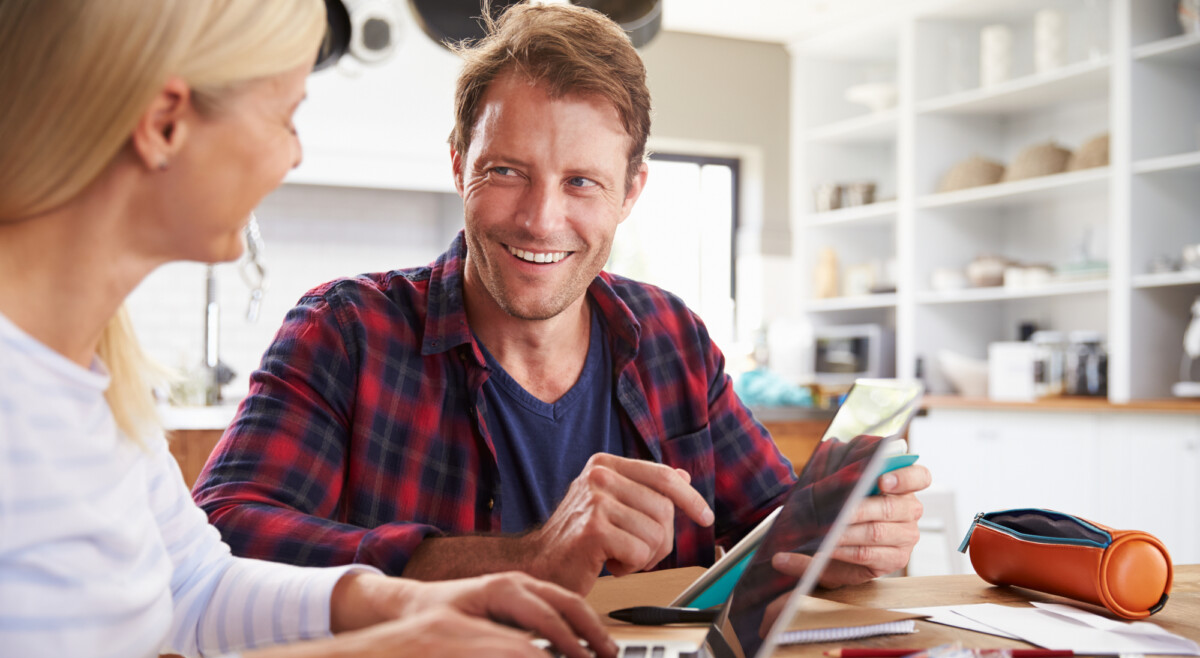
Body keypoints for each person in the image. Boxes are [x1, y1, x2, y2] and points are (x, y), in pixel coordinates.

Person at [0, 2, 618, 658]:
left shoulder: (90, 375)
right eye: (287, 115)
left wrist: (405, 605)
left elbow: (194, 582)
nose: (294, 155)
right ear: (164, 124)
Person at [194, 1, 931, 596]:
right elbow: (223, 536)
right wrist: (526, 556)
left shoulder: (672, 337)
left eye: (582, 182)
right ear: (459, 165)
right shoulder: (347, 330)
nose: (541, 220)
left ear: (631, 192)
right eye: (507, 171)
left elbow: (773, 530)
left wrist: (840, 543)